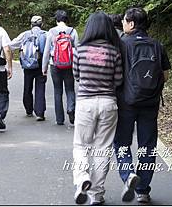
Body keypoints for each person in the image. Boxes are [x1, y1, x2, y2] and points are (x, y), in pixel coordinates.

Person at [114, 7, 171, 204]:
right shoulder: (157, 45)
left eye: (123, 21)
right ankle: (143, 190)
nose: (122, 24)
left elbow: (116, 74)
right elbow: (165, 75)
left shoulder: (121, 44)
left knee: (122, 142)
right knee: (147, 146)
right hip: (150, 103)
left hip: (126, 102)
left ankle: (128, 174)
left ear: (130, 24)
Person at [72, 12, 123, 205]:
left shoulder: (80, 49)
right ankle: (96, 195)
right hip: (109, 103)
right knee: (103, 149)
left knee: (81, 145)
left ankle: (82, 178)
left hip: (86, 102)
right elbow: (118, 80)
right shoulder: (114, 51)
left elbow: (76, 75)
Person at [4, 16, 47, 121]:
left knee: (27, 87)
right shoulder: (45, 34)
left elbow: (10, 45)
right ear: (42, 25)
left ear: (31, 24)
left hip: (27, 65)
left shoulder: (24, 34)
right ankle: (40, 113)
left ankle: (28, 110)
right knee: (40, 88)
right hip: (40, 65)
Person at [42, 9, 79, 126]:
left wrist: (44, 67)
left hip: (55, 64)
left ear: (56, 20)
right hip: (69, 64)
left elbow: (47, 51)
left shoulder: (51, 32)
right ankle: (71, 109)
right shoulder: (73, 31)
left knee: (57, 91)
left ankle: (59, 119)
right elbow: (77, 50)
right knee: (70, 89)